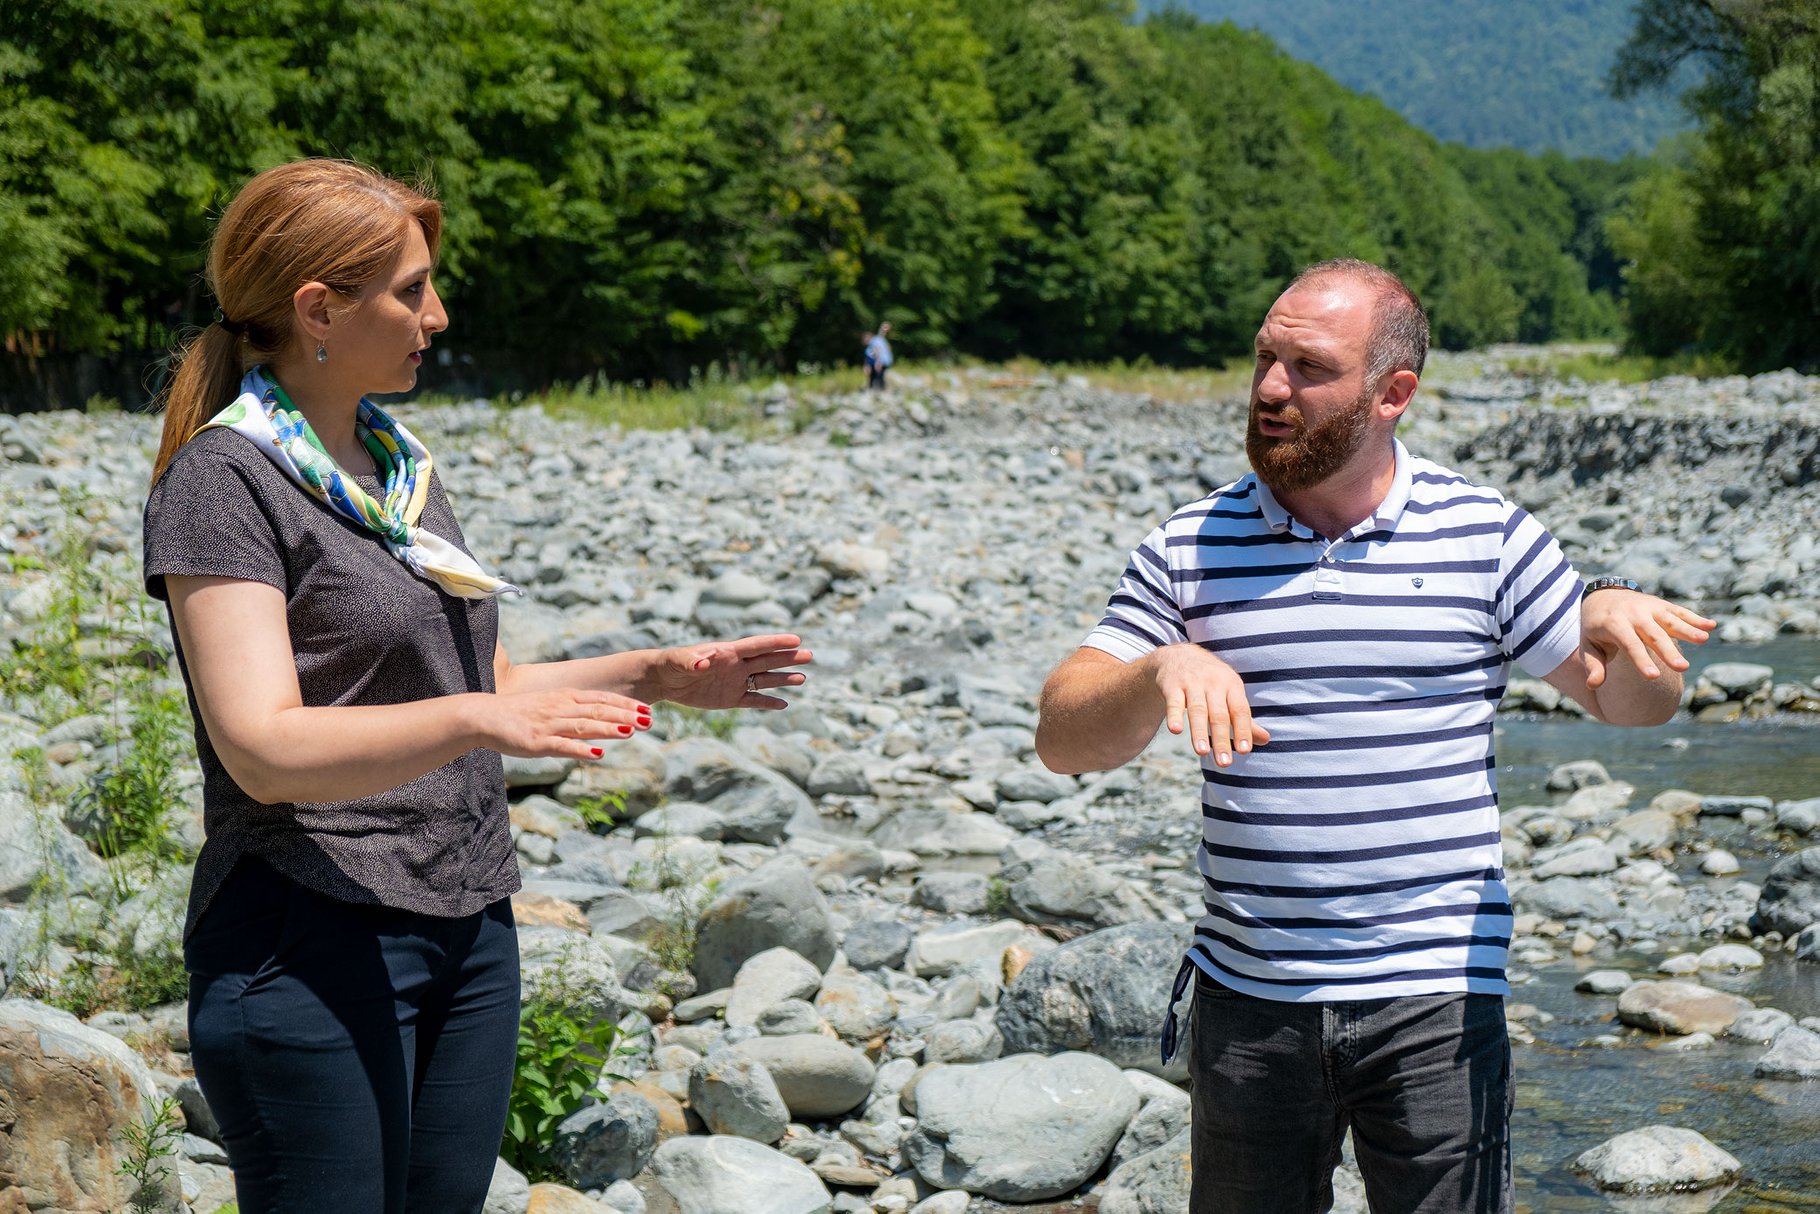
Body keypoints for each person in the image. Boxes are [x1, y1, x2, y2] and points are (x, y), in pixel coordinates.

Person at [141, 158, 812, 1211]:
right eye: (412, 289)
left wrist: (658, 674)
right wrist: (476, 719)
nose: (438, 315)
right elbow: (262, 747)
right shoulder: (223, 482)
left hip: (467, 917)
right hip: (307, 929)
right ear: (318, 310)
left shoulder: (395, 468)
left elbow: (483, 680)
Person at [1033, 259, 1713, 1214]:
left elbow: (1632, 706)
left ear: (1393, 394)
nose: (1271, 389)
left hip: (1436, 998)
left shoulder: (1484, 535)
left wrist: (1622, 624)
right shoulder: (1190, 545)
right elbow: (1063, 738)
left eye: (1309, 368)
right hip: (1249, 998)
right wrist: (1157, 669)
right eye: (1265, 358)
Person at [863, 321, 893, 390]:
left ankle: (878, 390)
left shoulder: (875, 340)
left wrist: (877, 362)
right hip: (885, 361)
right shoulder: (878, 341)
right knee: (878, 376)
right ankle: (878, 389)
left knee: (878, 377)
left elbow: (876, 352)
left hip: (882, 361)